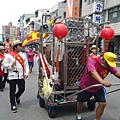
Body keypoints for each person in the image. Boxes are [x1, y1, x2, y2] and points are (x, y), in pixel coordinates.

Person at [76, 52, 120, 120]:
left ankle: (97, 119)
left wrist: (102, 83)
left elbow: (116, 73)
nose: (109, 65)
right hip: (86, 86)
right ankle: (78, 114)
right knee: (80, 101)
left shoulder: (108, 65)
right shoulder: (92, 60)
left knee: (103, 104)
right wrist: (103, 82)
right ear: (103, 59)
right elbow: (93, 72)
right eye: (108, 63)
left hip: (98, 87)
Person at [2, 40, 29, 113]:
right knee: (12, 91)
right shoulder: (8, 55)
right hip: (12, 76)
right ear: (15, 47)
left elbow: (26, 65)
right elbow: (4, 64)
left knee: (22, 89)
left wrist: (26, 73)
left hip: (20, 76)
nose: (21, 47)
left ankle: (17, 96)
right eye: (19, 46)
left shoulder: (23, 55)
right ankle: (13, 104)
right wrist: (11, 65)